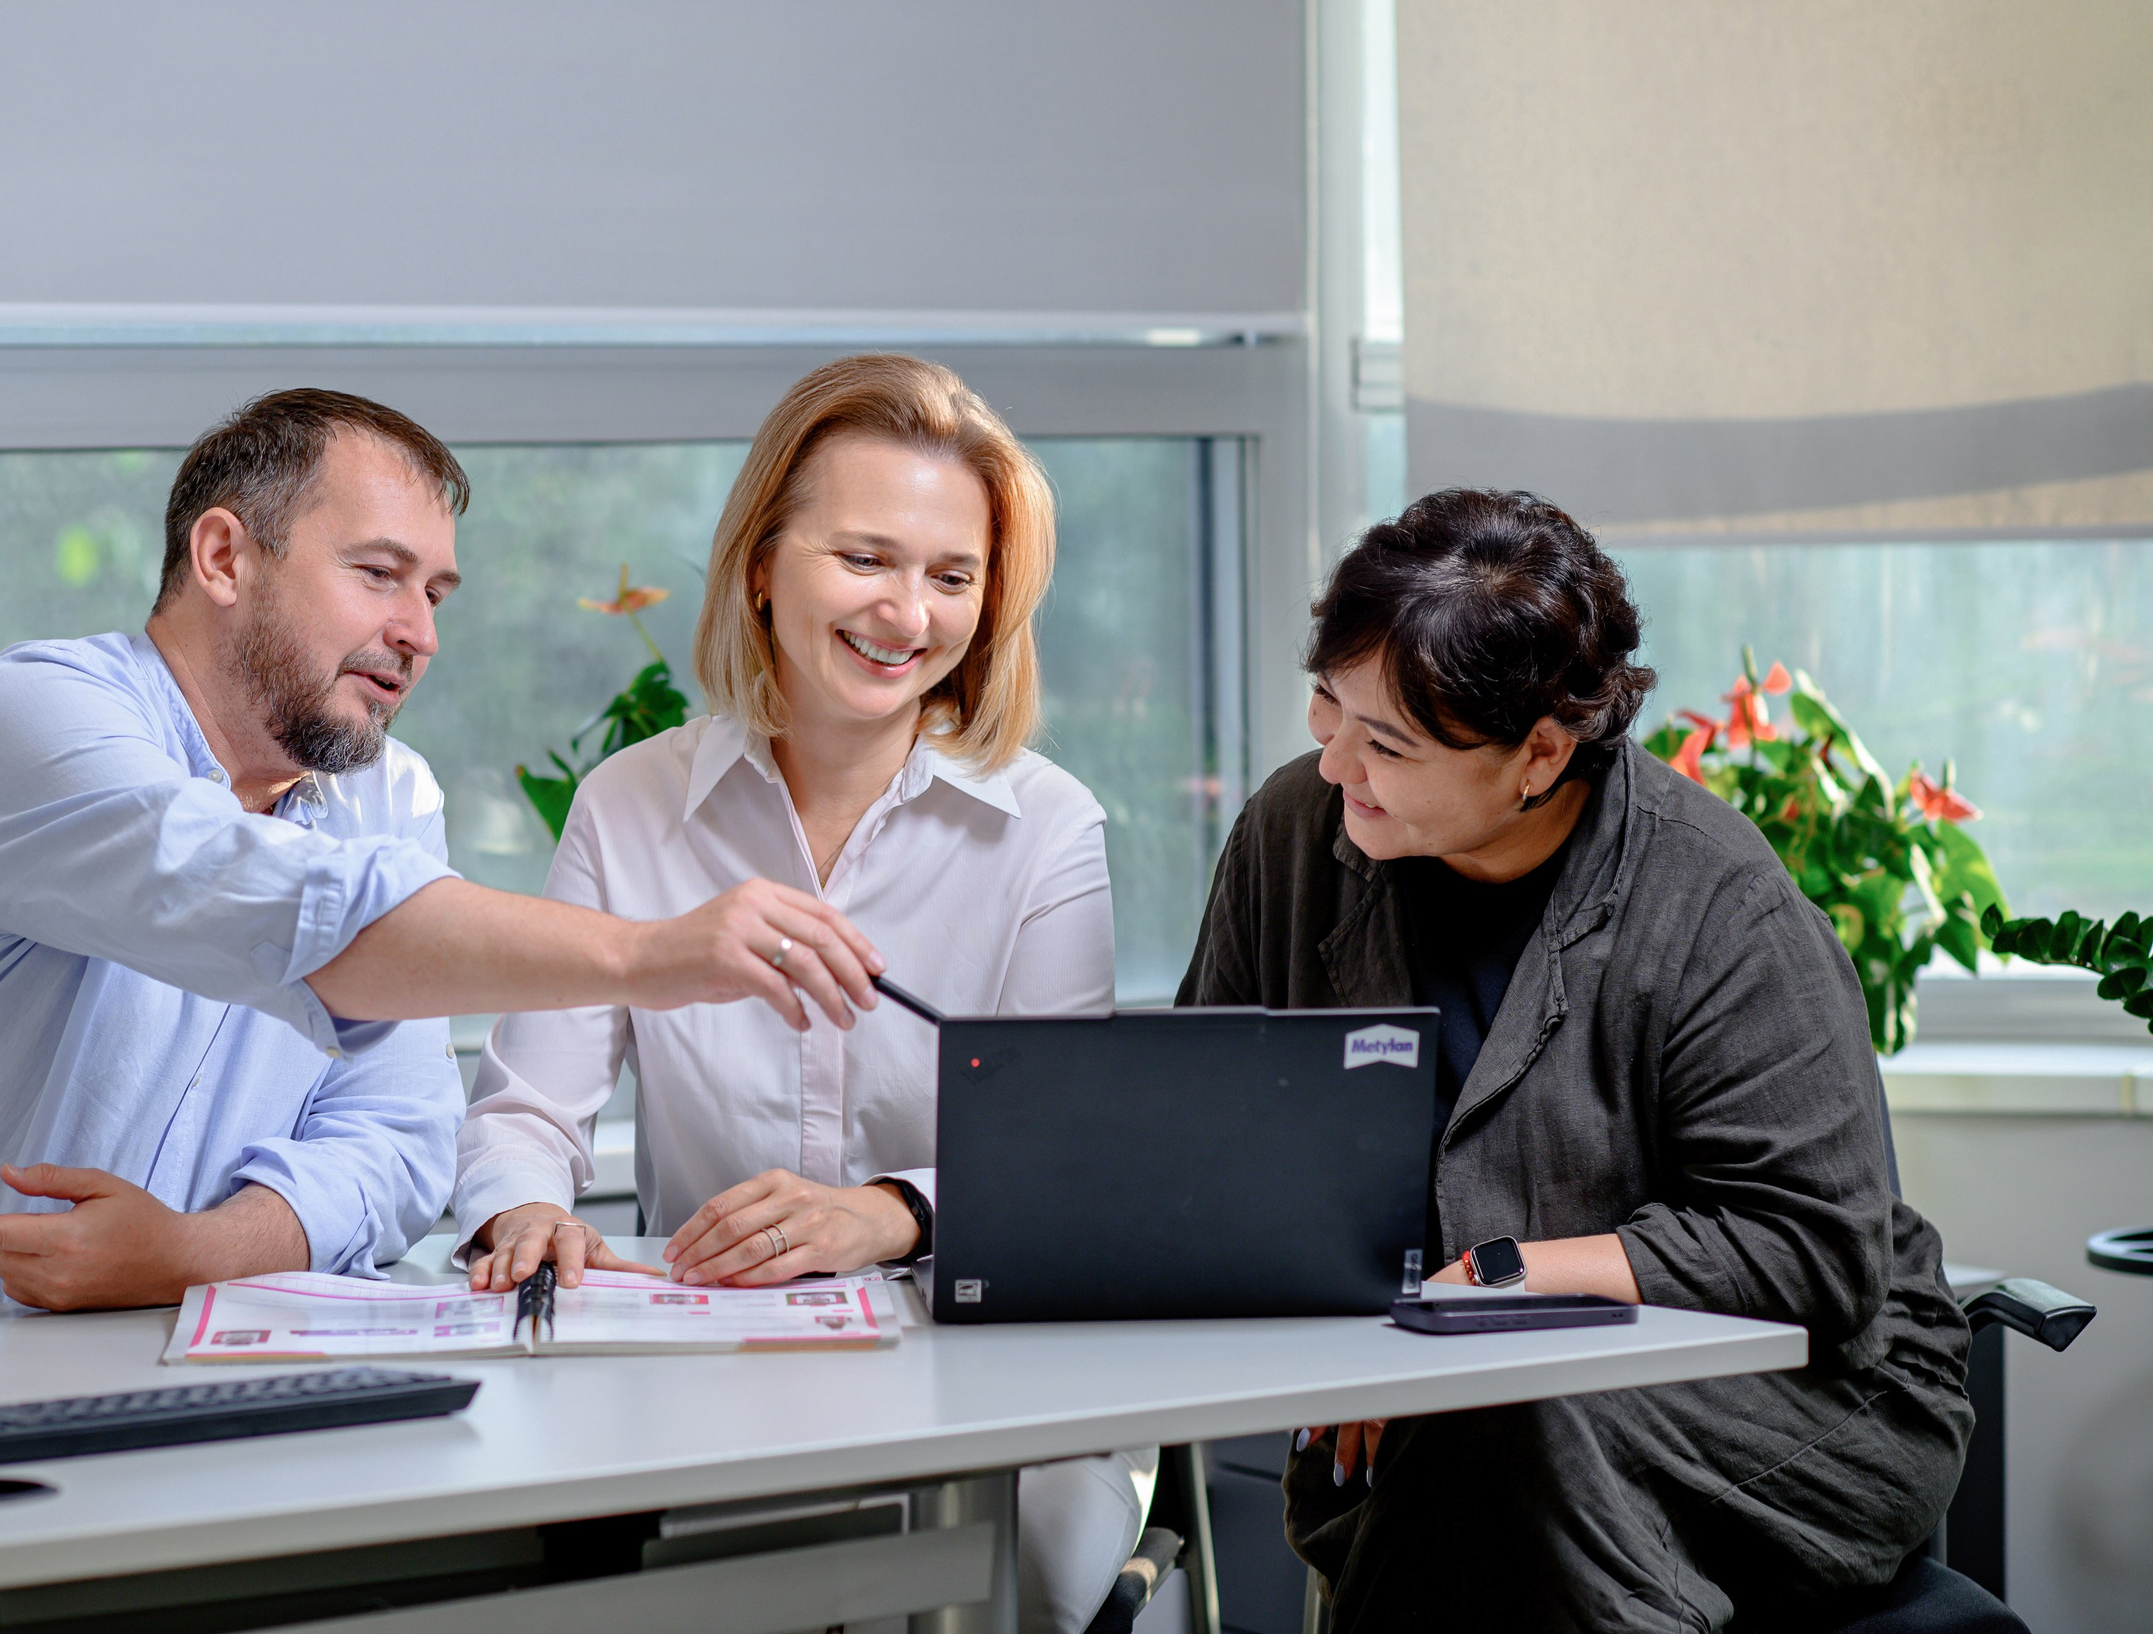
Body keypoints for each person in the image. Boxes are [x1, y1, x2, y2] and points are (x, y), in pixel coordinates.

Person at [0, 388, 881, 1335]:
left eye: (435, 593)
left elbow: (395, 1139)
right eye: (379, 574)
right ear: (224, 555)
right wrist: (647, 953)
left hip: (160, 1384)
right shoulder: (30, 716)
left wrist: (189, 1252)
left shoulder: (389, 795)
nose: (422, 633)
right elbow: (283, 907)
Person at [1177, 488, 1973, 1631]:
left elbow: (1814, 1254)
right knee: (1485, 1430)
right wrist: (1368, 1336)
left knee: (1502, 1423)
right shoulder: (1294, 834)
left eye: (1387, 742)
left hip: (1807, 1394)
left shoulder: (1718, 903)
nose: (1335, 758)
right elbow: (1212, 1135)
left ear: (1540, 752)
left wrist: (1489, 1284)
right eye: (1326, 703)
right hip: (1447, 1390)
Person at [451, 354, 1153, 1634]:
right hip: (706, 1364)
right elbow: (524, 1109)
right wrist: (527, 1208)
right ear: (763, 564)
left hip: (976, 1367)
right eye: (865, 558)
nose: (907, 612)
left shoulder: (1045, 828)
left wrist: (885, 1212)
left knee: (1028, 1574)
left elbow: (1066, 1159)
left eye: (952, 576)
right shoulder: (630, 806)